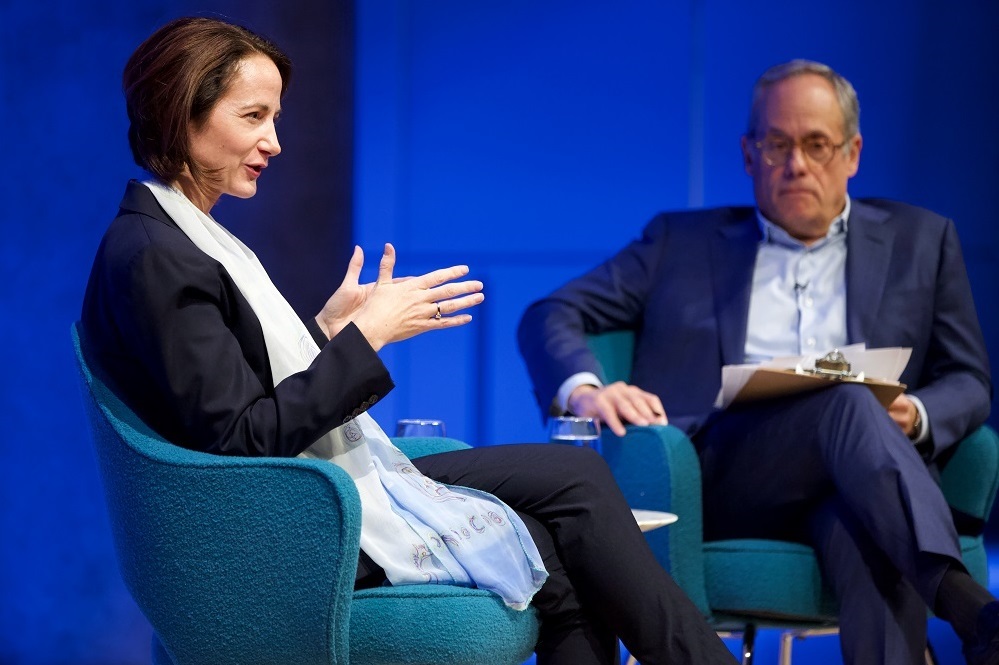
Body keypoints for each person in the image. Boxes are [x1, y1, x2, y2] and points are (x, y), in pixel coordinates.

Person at [79, 16, 735, 665]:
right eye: (253, 116)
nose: (274, 141)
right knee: (563, 520)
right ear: (180, 112)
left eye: (274, 118)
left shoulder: (178, 235)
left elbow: (231, 397)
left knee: (571, 486)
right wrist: (362, 340)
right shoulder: (157, 255)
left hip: (295, 490)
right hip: (277, 522)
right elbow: (240, 441)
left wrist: (328, 333)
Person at [519, 59, 999, 664]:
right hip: (726, 475)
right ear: (749, 155)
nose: (797, 164)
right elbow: (549, 313)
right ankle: (968, 607)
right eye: (778, 145)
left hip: (864, 478)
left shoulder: (922, 241)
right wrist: (586, 391)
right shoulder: (680, 243)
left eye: (817, 144)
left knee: (870, 534)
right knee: (847, 397)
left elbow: (969, 377)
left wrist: (918, 414)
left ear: (852, 153)